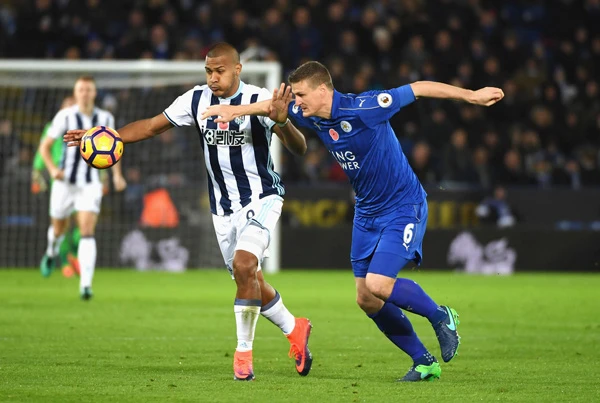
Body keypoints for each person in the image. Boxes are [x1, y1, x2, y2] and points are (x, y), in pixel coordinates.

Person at [201, 61, 504, 382]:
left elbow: (418, 88)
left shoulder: (366, 107)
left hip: (403, 205)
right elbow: (275, 105)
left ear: (322, 90)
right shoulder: (310, 113)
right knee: (366, 298)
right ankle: (423, 361)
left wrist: (471, 96)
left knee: (378, 284)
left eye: (302, 94)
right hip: (367, 212)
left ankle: (441, 315)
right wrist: (237, 111)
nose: (297, 102)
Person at [64, 43, 313, 381]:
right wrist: (105, 136)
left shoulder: (260, 99)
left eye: (219, 71)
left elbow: (300, 148)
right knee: (249, 278)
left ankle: (243, 354)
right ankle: (294, 327)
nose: (213, 78)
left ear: (237, 69)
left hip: (262, 198)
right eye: (208, 71)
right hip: (222, 209)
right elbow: (152, 126)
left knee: (244, 265)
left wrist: (283, 123)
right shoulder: (195, 100)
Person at [39, 76, 127, 299]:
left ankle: (86, 285)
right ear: (75, 93)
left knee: (87, 231)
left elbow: (114, 149)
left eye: (88, 89)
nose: (85, 93)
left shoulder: (105, 117)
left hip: (90, 184)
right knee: (59, 229)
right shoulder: (65, 116)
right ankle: (51, 252)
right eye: (81, 90)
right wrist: (51, 170)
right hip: (64, 183)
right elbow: (45, 147)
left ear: (94, 93)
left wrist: (117, 175)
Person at [33, 95, 81, 277]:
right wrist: (37, 174)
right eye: (67, 105)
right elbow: (41, 152)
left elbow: (96, 154)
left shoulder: (85, 129)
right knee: (62, 227)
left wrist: (102, 177)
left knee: (84, 224)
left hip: (83, 183)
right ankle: (60, 257)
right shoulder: (51, 128)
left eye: (73, 105)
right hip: (59, 183)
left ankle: (75, 257)